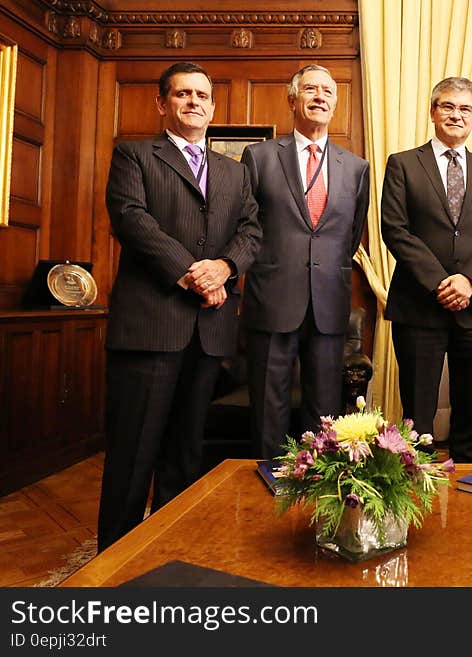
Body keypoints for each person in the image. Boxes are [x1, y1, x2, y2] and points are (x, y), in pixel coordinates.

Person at [98, 62, 262, 551]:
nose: (194, 102)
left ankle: (167, 552)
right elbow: (131, 219)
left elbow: (251, 231)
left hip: (209, 330)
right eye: (183, 94)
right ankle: (116, 562)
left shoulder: (235, 171)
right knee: (133, 455)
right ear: (161, 103)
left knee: (185, 453)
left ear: (213, 106)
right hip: (151, 326)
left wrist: (226, 268)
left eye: (203, 96)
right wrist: (196, 272)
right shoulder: (134, 154)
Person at [241, 64, 370, 459]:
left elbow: (350, 235)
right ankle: (270, 488)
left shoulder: (356, 168)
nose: (320, 97)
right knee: (269, 410)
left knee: (324, 413)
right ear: (292, 98)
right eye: (311, 89)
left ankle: (318, 496)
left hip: (328, 304)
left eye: (328, 91)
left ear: (335, 103)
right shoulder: (259, 156)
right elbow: (247, 225)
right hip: (272, 300)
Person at [381, 76, 472, 463]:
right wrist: (441, 281)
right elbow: (395, 229)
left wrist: (468, 280)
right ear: (434, 111)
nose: (457, 115)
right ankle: (413, 490)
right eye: (448, 107)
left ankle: (470, 491)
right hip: (419, 305)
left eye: (465, 109)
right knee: (417, 412)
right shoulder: (403, 164)